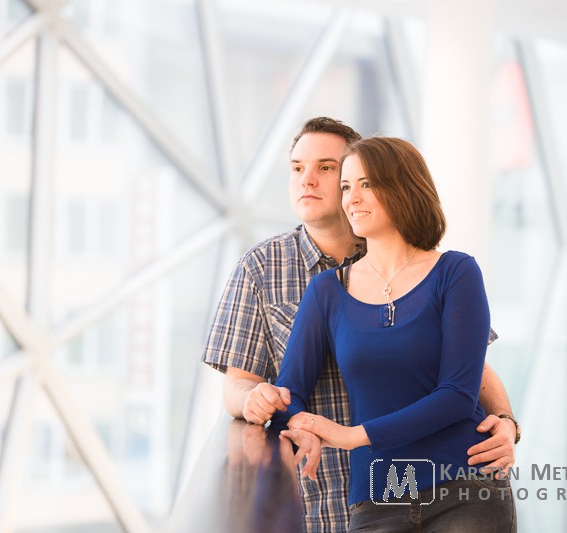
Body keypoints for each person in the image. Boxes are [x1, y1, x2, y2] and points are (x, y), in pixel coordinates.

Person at [202, 118, 519, 533]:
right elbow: (266, 391)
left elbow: (467, 378)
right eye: (297, 168)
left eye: (335, 172)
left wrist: (508, 423)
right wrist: (290, 421)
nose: (311, 181)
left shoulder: (453, 271)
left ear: (400, 188)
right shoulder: (298, 281)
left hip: (462, 486)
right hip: (362, 497)